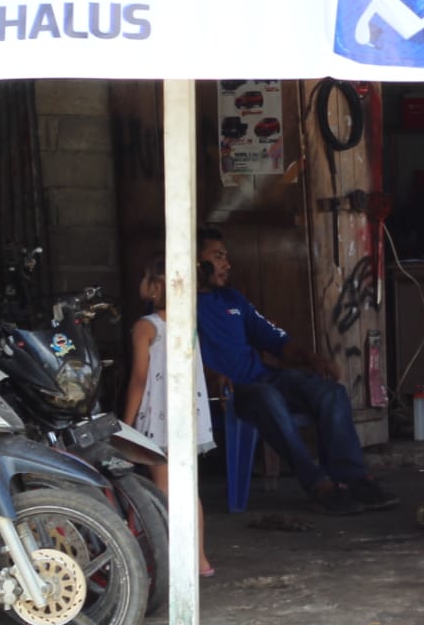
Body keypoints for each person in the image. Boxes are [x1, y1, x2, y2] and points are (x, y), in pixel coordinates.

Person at [196, 227, 396, 516]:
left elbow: (275, 340)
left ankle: (352, 479)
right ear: (195, 261)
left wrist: (313, 359)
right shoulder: (179, 306)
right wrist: (206, 374)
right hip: (234, 394)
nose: (227, 264)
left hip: (264, 377)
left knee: (330, 392)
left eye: (226, 257)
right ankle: (317, 485)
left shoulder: (232, 300)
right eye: (218, 257)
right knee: (267, 396)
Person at [121, 254, 217, 576]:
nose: (140, 283)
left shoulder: (145, 327)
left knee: (162, 488)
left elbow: (139, 378)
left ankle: (174, 561)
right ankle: (200, 559)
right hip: (188, 414)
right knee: (188, 488)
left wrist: (127, 423)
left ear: (155, 287)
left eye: (144, 277)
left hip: (161, 415)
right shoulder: (186, 322)